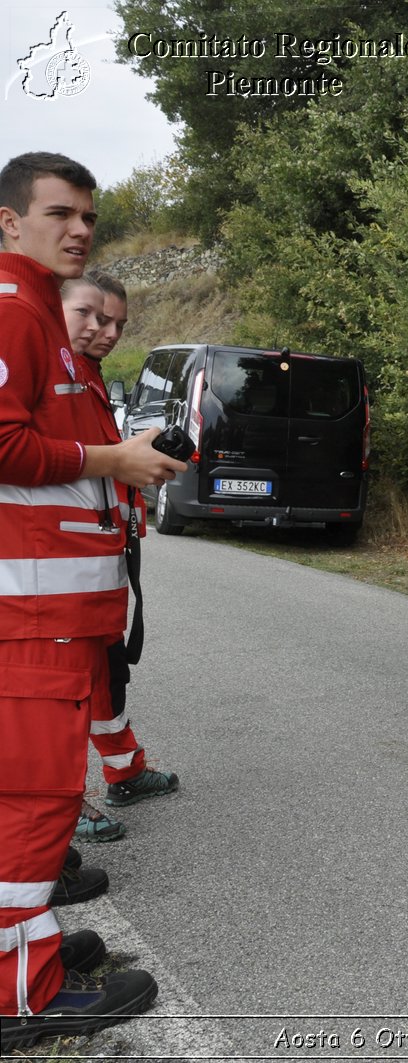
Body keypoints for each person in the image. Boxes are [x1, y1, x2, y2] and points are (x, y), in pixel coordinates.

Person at [0, 150, 178, 1049]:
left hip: (54, 620)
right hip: (26, 621)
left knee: (33, 804)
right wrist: (115, 460)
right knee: (29, 803)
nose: (78, 229)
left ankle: (28, 948)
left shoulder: (35, 313)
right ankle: (18, 998)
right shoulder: (10, 309)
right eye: (58, 212)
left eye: (89, 217)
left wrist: (119, 468)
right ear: (9, 220)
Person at [62, 273, 179, 844]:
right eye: (91, 317)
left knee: (107, 678)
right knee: (56, 697)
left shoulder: (87, 380)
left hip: (97, 563)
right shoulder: (45, 376)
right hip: (51, 573)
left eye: (117, 325)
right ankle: (61, 805)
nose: (105, 332)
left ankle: (124, 771)